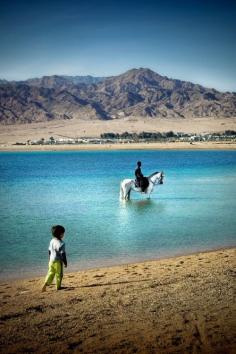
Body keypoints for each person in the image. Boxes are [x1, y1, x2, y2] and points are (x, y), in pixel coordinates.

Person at [42, 225, 67, 292]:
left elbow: (49, 251)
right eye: (63, 233)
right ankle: (58, 287)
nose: (64, 234)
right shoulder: (61, 243)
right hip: (58, 261)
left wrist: (49, 259)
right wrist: (65, 262)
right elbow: (63, 254)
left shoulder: (52, 241)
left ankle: (45, 284)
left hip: (51, 260)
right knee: (59, 274)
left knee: (50, 273)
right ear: (61, 234)